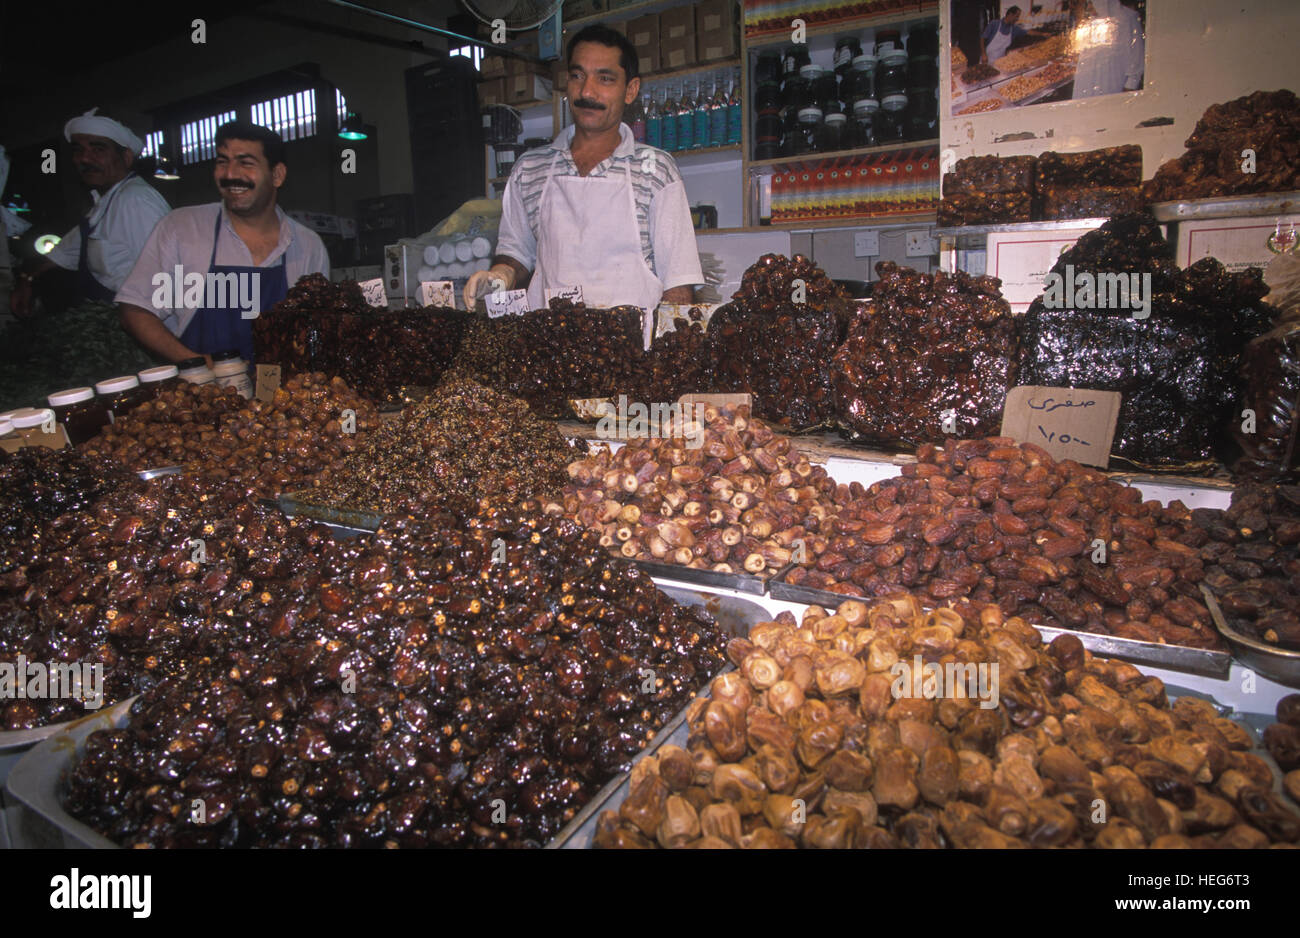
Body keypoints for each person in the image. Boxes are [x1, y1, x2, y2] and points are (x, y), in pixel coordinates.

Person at [464, 24, 702, 313]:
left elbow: (678, 284)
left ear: (630, 90)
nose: (587, 91)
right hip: (551, 344)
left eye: (605, 78)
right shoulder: (529, 169)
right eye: (578, 76)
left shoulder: (657, 171)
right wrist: (499, 277)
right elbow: (516, 254)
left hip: (632, 351)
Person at [117, 120, 328, 364]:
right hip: (198, 394)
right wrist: (197, 365)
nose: (230, 174)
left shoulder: (307, 245)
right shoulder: (182, 229)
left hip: (279, 394)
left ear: (277, 175)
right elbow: (134, 310)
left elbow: (316, 330)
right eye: (222, 162)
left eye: (246, 163)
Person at [9, 108, 169, 318]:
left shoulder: (135, 201)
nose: (84, 159)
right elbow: (63, 253)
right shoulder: (103, 205)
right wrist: (26, 279)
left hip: (139, 327)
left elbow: (166, 281)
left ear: (126, 157)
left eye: (98, 149)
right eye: (78, 150)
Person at [1072, 0, 1145, 98]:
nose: (1089, 7)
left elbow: (1137, 56)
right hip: (1087, 83)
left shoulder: (1128, 18)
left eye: (1091, 3)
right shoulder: (1090, 22)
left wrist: (1131, 85)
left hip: (1112, 81)